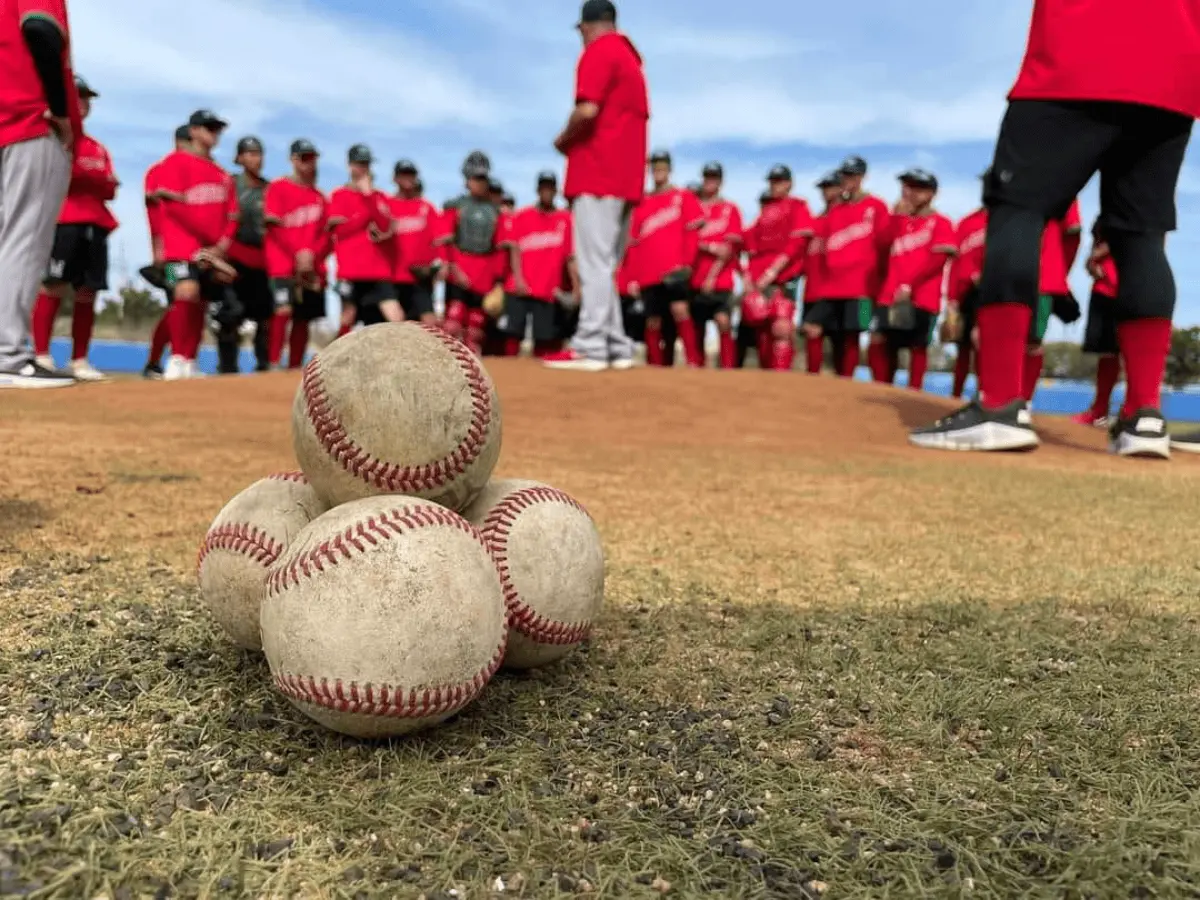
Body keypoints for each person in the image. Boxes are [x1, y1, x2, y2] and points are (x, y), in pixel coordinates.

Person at [910, 0, 1199, 458]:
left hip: (1077, 55)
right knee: (1140, 235)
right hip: (1173, 73)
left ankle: (1000, 406)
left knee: (1016, 209)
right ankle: (1145, 416)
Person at [545, 0, 648, 372]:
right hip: (626, 179)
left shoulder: (600, 51)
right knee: (606, 264)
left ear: (587, 26)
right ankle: (616, 345)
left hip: (597, 173)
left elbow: (587, 110)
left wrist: (563, 139)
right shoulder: (631, 60)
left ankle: (589, 346)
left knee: (593, 263)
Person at [0, 0, 80, 388]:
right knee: (23, 241)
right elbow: (40, 29)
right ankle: (8, 355)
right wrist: (61, 110)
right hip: (30, 123)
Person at [30, 75, 116, 382]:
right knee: (53, 283)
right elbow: (61, 178)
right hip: (62, 221)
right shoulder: (51, 137)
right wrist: (89, 181)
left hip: (96, 224)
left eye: (87, 98)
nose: (84, 103)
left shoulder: (97, 148)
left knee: (88, 290)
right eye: (78, 96)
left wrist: (87, 180)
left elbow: (109, 187)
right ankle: (40, 353)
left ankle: (80, 359)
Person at [148, 108, 238, 381]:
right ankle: (175, 358)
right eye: (209, 127)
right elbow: (172, 209)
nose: (214, 133)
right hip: (179, 248)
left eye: (217, 128)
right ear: (194, 131)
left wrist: (220, 247)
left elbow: (233, 216)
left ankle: (190, 359)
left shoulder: (222, 174)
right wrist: (206, 242)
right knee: (185, 292)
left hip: (211, 252)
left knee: (201, 301)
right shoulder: (174, 163)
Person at [869, 169, 956, 390]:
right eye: (907, 187)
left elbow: (938, 260)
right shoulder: (898, 221)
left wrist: (911, 285)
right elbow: (880, 246)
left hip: (922, 295)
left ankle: (914, 392)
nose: (910, 193)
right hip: (890, 293)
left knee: (916, 345)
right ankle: (882, 388)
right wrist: (895, 217)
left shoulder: (941, 222)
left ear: (931, 194)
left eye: (917, 188)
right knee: (881, 341)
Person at [627, 149, 705, 367]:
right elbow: (633, 243)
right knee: (652, 321)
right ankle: (655, 365)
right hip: (648, 272)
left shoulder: (683, 196)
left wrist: (688, 263)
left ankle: (692, 362)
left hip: (674, 269)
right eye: (655, 167)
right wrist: (632, 276)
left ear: (669, 169)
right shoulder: (642, 202)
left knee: (680, 311)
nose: (658, 170)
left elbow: (693, 232)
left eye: (662, 166)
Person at [263, 139, 329, 369]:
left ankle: (292, 367)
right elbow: (274, 227)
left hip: (311, 268)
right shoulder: (278, 187)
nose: (308, 163)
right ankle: (273, 364)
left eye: (312, 158)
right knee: (282, 310)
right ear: (292, 160)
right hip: (282, 263)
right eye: (303, 157)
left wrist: (312, 255)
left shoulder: (320, 197)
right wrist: (297, 253)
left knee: (303, 317)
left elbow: (327, 235)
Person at [741, 164, 813, 371]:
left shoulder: (797, 206)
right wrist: (748, 276)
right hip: (759, 279)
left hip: (784, 277)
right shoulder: (765, 213)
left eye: (779, 181)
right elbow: (746, 243)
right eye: (772, 181)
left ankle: (780, 378)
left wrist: (773, 270)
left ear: (789, 183)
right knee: (762, 331)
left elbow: (797, 243)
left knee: (781, 327)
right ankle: (767, 381)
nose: (775, 185)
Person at [498, 170, 575, 358]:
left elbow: (569, 257)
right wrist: (518, 279)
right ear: (537, 190)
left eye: (550, 187)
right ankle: (510, 377)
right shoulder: (522, 216)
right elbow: (515, 250)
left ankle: (539, 383)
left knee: (544, 340)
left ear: (555, 190)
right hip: (520, 287)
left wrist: (576, 289)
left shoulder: (565, 219)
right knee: (512, 336)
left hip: (548, 288)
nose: (546, 191)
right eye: (543, 187)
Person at [438, 150, 503, 355]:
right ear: (467, 179)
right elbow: (445, 240)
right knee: (453, 324)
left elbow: (499, 248)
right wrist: (451, 267)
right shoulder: (455, 206)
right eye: (475, 178)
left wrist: (497, 280)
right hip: (459, 267)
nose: (479, 183)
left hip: (483, 273)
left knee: (475, 329)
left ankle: (472, 374)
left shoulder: (495, 211)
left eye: (483, 178)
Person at [329, 144, 397, 334]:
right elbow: (340, 232)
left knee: (394, 317)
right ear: (350, 166)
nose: (363, 168)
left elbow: (384, 226)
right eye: (359, 164)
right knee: (348, 317)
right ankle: (333, 361)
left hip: (377, 268)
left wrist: (368, 196)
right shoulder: (338, 195)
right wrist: (364, 217)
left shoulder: (379, 196)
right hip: (351, 269)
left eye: (366, 164)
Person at [141, 124, 190, 379]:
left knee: (187, 304)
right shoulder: (161, 170)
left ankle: (178, 360)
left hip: (193, 249)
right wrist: (158, 246)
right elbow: (155, 211)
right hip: (171, 250)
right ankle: (156, 361)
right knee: (176, 302)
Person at [224, 135, 272, 373]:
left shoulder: (269, 189)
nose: (257, 159)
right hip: (233, 259)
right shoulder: (230, 184)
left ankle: (263, 367)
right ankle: (228, 368)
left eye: (259, 153)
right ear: (240, 158)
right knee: (231, 315)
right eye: (251, 153)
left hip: (263, 263)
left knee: (265, 318)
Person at [690, 161, 743, 369]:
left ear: (720, 182)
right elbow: (687, 241)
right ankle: (698, 369)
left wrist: (711, 276)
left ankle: (728, 369)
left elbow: (728, 249)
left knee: (723, 321)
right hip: (694, 278)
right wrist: (709, 247)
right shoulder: (694, 208)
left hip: (720, 279)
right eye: (707, 177)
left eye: (714, 178)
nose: (710, 182)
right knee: (697, 327)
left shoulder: (730, 209)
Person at [800, 171, 852, 376]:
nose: (826, 191)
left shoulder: (848, 216)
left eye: (831, 186)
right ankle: (813, 380)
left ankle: (845, 382)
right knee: (812, 331)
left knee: (844, 338)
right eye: (824, 188)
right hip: (813, 287)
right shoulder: (816, 220)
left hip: (839, 290)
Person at [1072, 219, 1122, 427]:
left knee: (1129, 351)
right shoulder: (1103, 220)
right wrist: (1091, 263)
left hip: (1127, 289)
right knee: (1107, 351)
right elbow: (1093, 255)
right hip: (1103, 290)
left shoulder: (1136, 210)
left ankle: (1135, 409)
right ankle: (1100, 410)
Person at [947, 174, 989, 398]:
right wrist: (951, 298)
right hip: (966, 294)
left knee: (983, 342)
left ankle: (985, 396)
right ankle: (956, 396)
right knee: (962, 344)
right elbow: (955, 264)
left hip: (991, 290)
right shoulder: (966, 222)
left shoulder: (1006, 220)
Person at [387, 159, 439, 327]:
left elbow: (439, 241)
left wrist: (437, 266)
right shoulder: (387, 205)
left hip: (419, 278)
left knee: (429, 325)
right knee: (394, 327)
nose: (408, 178)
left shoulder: (426, 207)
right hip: (393, 277)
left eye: (411, 174)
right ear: (395, 178)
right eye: (404, 174)